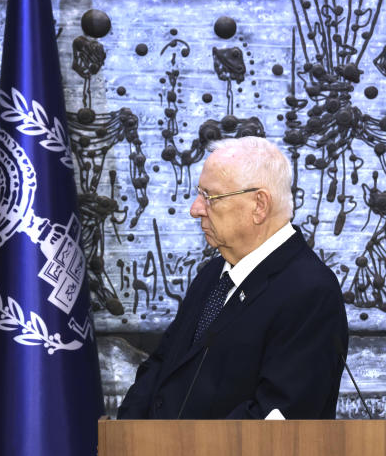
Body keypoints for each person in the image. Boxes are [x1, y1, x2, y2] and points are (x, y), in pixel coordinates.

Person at [117, 136, 347, 419]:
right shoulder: (214, 273)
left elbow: (277, 416)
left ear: (259, 205)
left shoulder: (310, 292)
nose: (195, 209)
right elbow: (163, 365)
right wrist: (129, 437)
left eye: (210, 197)